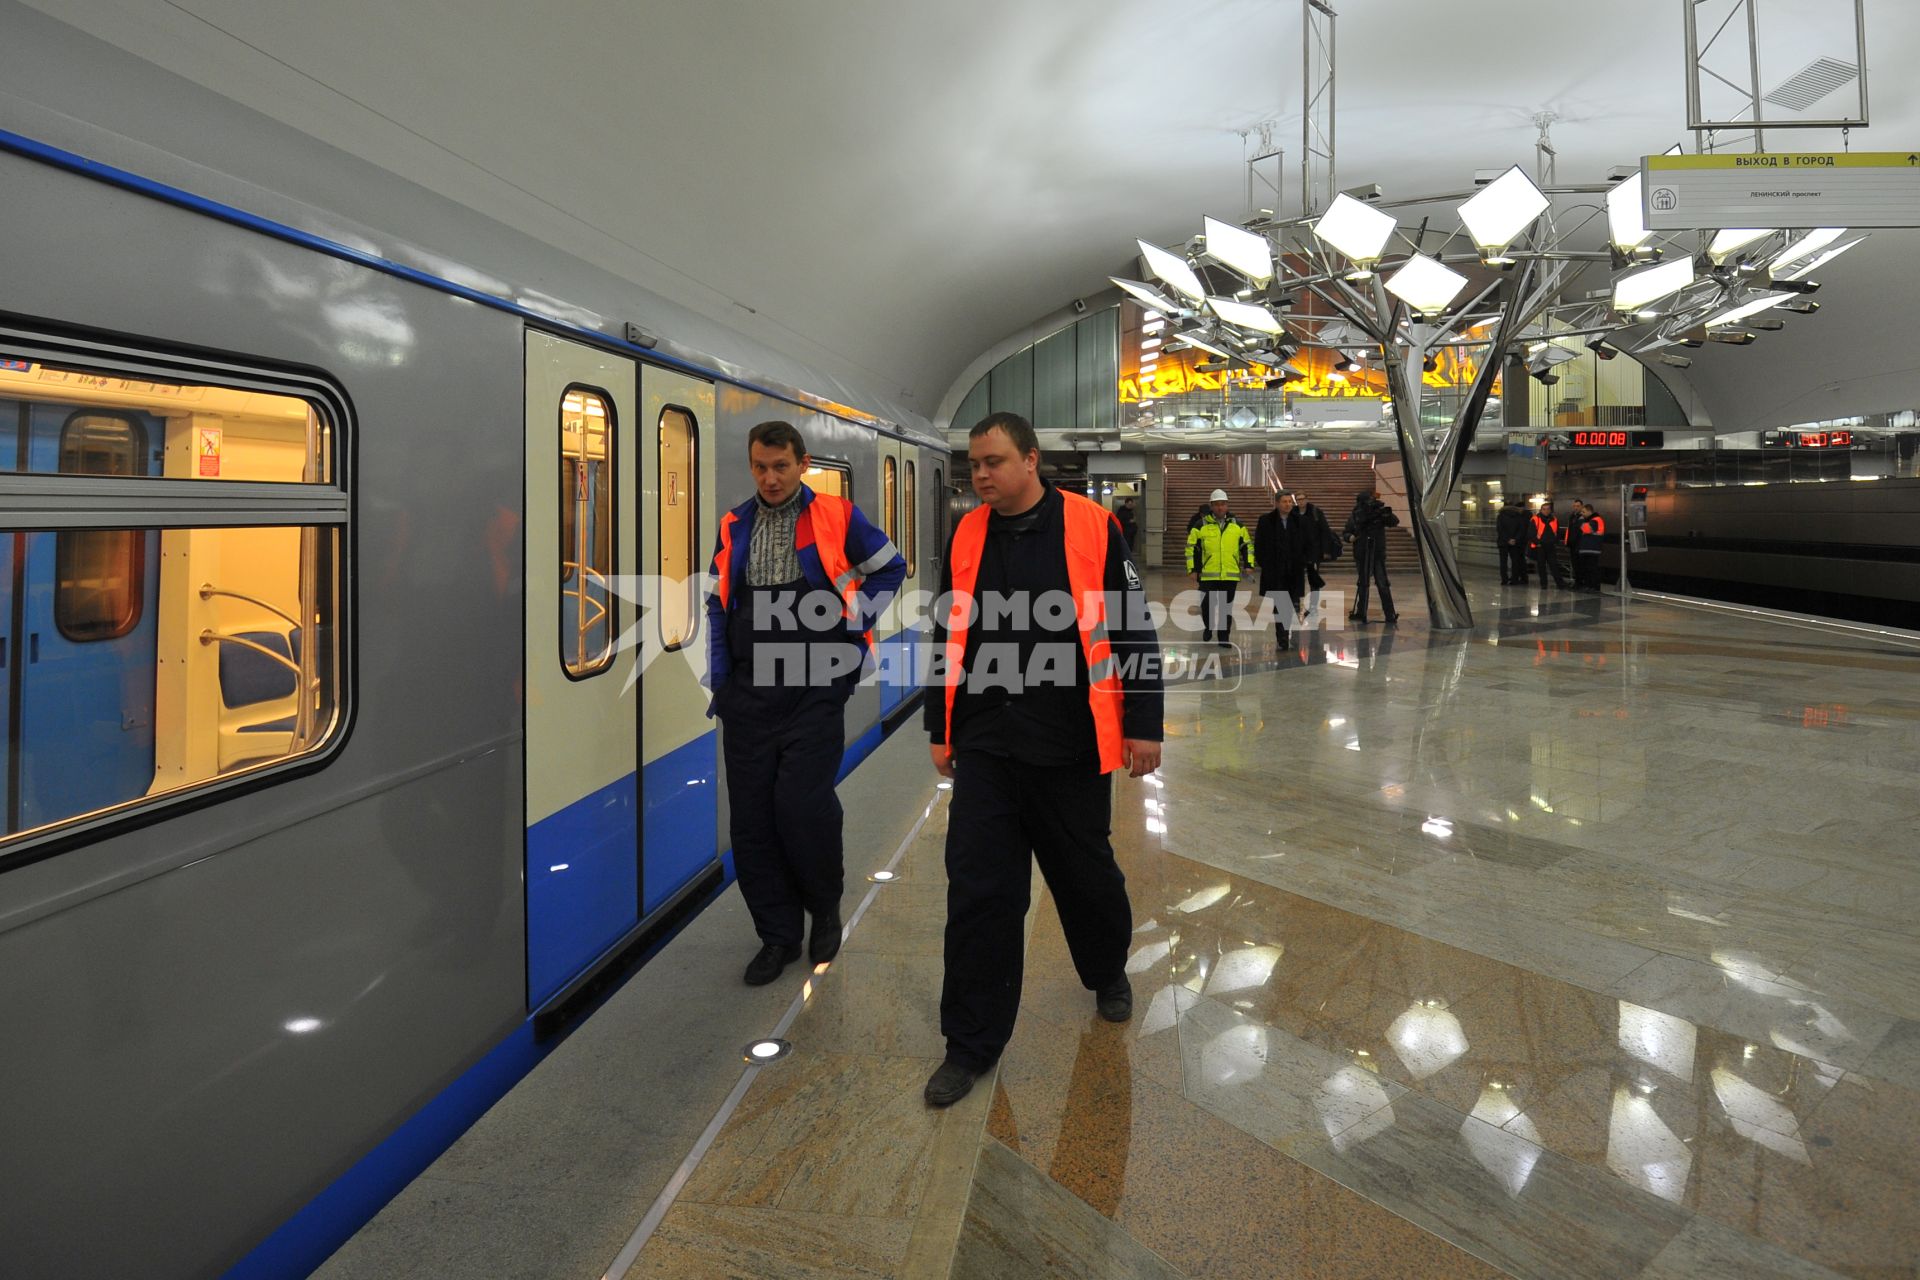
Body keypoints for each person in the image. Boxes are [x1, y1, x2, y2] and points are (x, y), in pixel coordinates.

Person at [923, 411, 1164, 1108]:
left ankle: (1106, 969)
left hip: (1069, 744)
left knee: (1084, 877)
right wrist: (940, 726)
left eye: (994, 461)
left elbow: (1132, 628)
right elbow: (947, 629)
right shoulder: (968, 531)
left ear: (1031, 460)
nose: (982, 475)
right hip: (988, 745)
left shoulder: (1092, 526)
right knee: (978, 894)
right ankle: (969, 1043)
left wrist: (1143, 724)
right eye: (975, 464)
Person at [704, 421, 907, 986]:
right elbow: (719, 603)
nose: (770, 478)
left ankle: (823, 906)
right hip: (748, 692)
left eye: (780, 467)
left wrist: (854, 617)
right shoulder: (732, 525)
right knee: (752, 820)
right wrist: (721, 680)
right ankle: (776, 935)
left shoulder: (838, 517)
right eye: (760, 467)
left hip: (816, 686)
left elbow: (893, 566)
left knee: (801, 804)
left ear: (802, 463)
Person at [1186, 488, 1252, 644]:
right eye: (1216, 505)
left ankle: (1224, 637)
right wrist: (1192, 569)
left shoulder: (1238, 525)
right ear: (1211, 506)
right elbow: (1191, 548)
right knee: (1207, 605)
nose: (1220, 508)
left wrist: (1248, 564)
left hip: (1230, 574)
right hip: (1207, 574)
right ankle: (1208, 627)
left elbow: (1247, 546)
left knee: (1225, 608)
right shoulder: (1200, 525)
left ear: (1227, 505)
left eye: (1223, 504)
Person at [1254, 489, 1315, 645]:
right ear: (1277, 503)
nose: (1288, 504)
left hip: (1294, 570)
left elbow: (1309, 542)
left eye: (1290, 501)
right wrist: (1264, 563)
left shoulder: (1301, 521)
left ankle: (1288, 630)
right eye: (1284, 502)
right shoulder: (1266, 520)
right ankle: (1282, 635)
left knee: (1293, 603)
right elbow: (1259, 544)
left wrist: (1306, 560)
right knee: (1280, 603)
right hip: (1276, 570)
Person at [1342, 488, 1399, 625]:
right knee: (1363, 584)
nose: (1371, 503)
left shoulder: (1378, 513)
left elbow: (1394, 522)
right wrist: (1350, 537)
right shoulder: (1356, 515)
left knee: (1382, 584)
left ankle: (1390, 614)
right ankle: (1361, 612)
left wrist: (1385, 514)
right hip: (1362, 553)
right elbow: (1346, 532)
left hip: (1377, 554)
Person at [1529, 499, 1570, 589]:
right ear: (1541, 510)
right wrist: (1538, 543)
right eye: (1544, 509)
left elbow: (1557, 532)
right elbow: (1531, 533)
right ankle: (1544, 584)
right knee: (1541, 566)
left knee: (1554, 565)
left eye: (1548, 509)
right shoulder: (1535, 519)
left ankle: (1560, 584)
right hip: (1540, 546)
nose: (1546, 511)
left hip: (1551, 546)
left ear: (1550, 510)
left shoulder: (1554, 520)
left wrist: (1555, 541)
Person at [1572, 500, 1607, 590]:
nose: (1582, 514)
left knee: (1592, 569)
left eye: (1583, 512)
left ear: (1589, 511)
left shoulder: (1595, 520)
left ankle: (1593, 586)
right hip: (1589, 548)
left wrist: (1580, 521)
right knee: (1588, 568)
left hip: (1592, 548)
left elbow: (1587, 529)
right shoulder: (1591, 520)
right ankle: (1589, 585)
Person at [1496, 495, 1530, 586]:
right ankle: (1514, 579)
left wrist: (1507, 539)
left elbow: (1500, 529)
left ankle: (1504, 580)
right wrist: (1514, 539)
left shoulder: (1500, 516)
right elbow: (1521, 529)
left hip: (1503, 542)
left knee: (1503, 562)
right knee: (1515, 561)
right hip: (1515, 543)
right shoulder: (1518, 516)